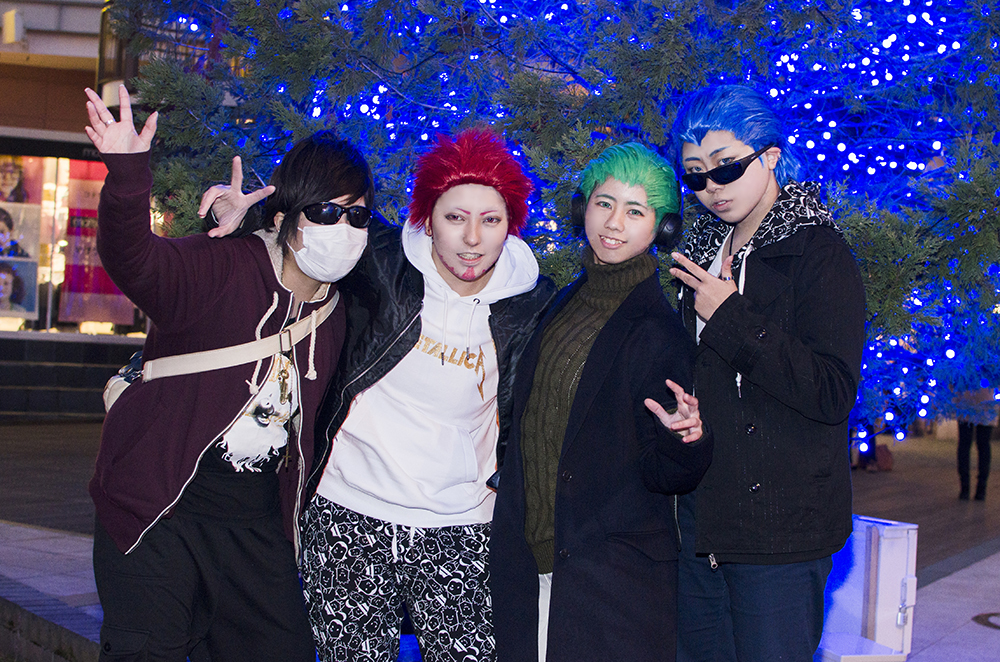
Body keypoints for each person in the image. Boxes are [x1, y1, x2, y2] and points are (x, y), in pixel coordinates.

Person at [84, 85, 368, 662]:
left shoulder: (343, 312)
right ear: (285, 218)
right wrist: (128, 175)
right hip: (160, 513)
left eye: (356, 215)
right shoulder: (220, 268)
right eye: (325, 212)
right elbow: (135, 260)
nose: (342, 227)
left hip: (255, 530)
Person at [490, 142, 712, 662]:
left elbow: (668, 474)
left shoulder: (660, 333)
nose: (613, 223)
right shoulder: (565, 301)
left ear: (662, 228)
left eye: (635, 211)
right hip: (532, 562)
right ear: (582, 207)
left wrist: (685, 439)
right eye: (604, 203)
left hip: (607, 586)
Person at [669, 85, 866, 662]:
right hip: (700, 523)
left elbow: (831, 391)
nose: (712, 187)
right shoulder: (700, 254)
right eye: (696, 176)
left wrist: (730, 316)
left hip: (780, 532)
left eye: (727, 167)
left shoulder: (818, 252)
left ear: (771, 156)